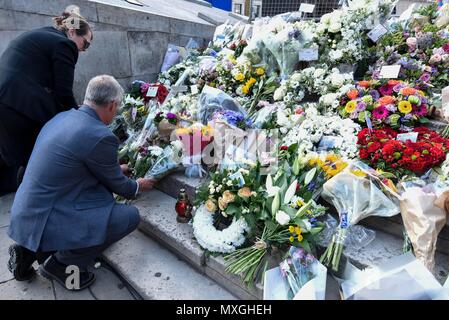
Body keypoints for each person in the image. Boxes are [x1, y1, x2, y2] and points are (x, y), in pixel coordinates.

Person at [7, 75, 156, 291]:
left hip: (27, 214)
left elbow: (75, 166)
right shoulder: (100, 135)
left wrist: (115, 170)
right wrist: (138, 185)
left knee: (99, 200)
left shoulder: (61, 118)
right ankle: (62, 264)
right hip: (49, 217)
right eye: (117, 108)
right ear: (112, 105)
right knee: (128, 216)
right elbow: (123, 188)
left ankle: (29, 250)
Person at [0, 9, 93, 196]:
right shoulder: (65, 45)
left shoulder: (44, 34)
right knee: (37, 153)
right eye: (86, 43)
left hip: (6, 98)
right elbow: (64, 93)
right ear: (73, 32)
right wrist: (79, 119)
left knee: (8, 155)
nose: (83, 49)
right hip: (20, 104)